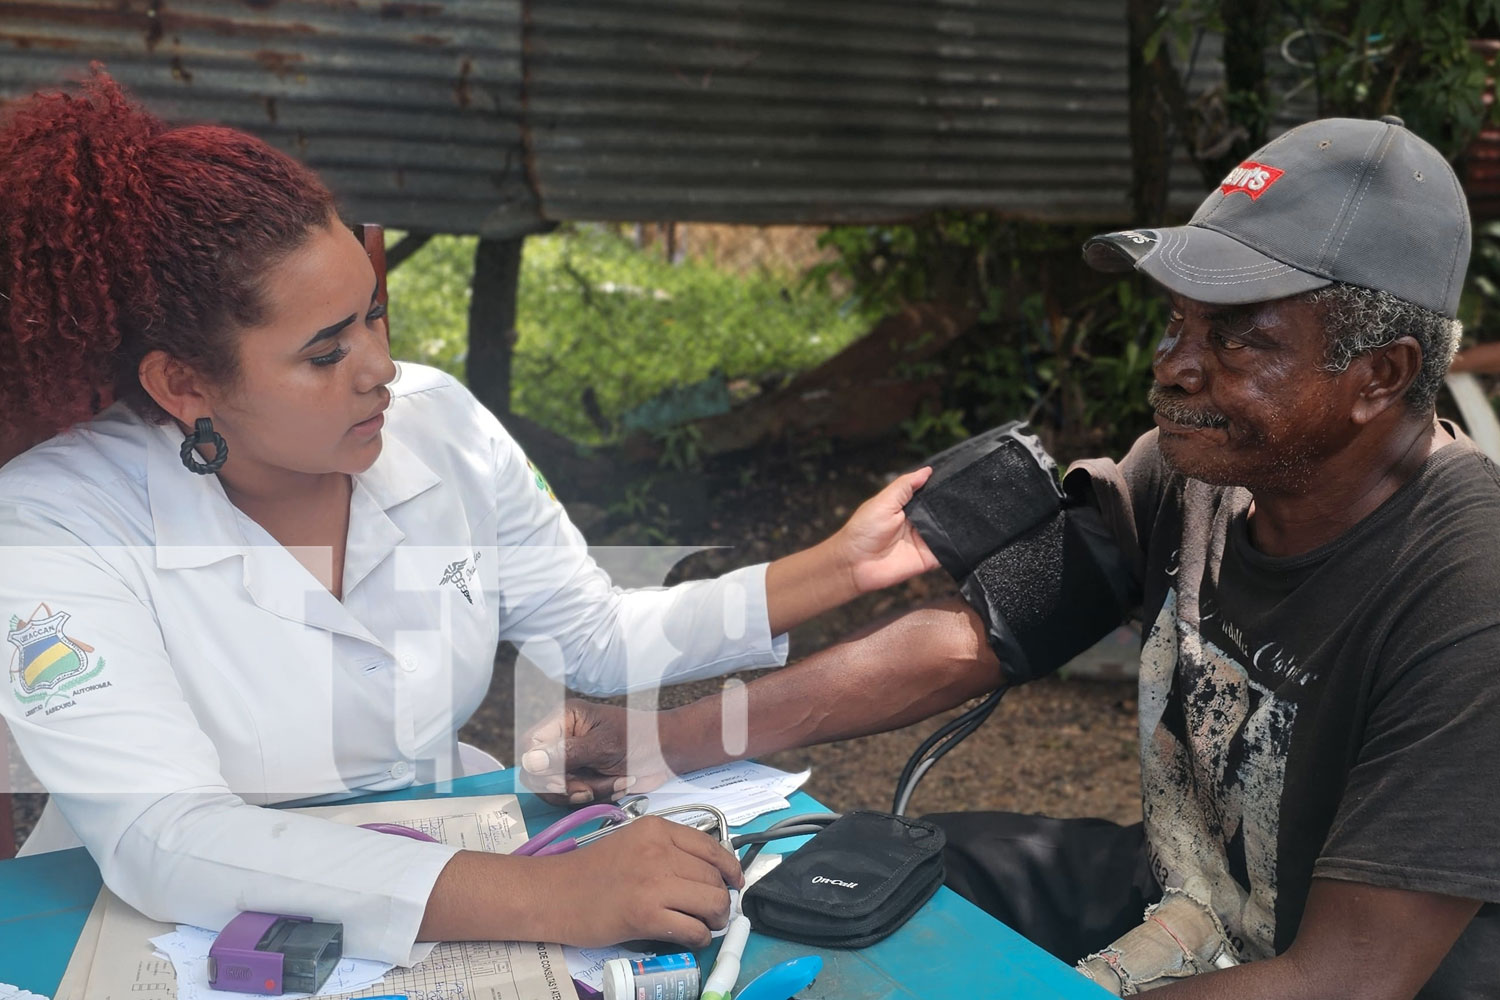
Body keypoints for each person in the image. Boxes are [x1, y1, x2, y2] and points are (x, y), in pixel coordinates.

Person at [521, 115, 1500, 999]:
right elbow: (971, 640)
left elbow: (1349, 977)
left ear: (1380, 377)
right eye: (1177, 322)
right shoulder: (1198, 471)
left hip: (1339, 964)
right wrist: (659, 741)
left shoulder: (1468, 584)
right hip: (1185, 891)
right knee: (829, 881)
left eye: (1238, 340)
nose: (1173, 364)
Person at [0, 69, 940, 965]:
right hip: (144, 935)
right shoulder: (55, 523)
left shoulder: (435, 422)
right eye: (325, 352)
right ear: (184, 383)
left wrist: (838, 567)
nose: (380, 369)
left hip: (438, 860)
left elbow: (592, 636)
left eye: (374, 315)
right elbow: (164, 837)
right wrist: (556, 897)